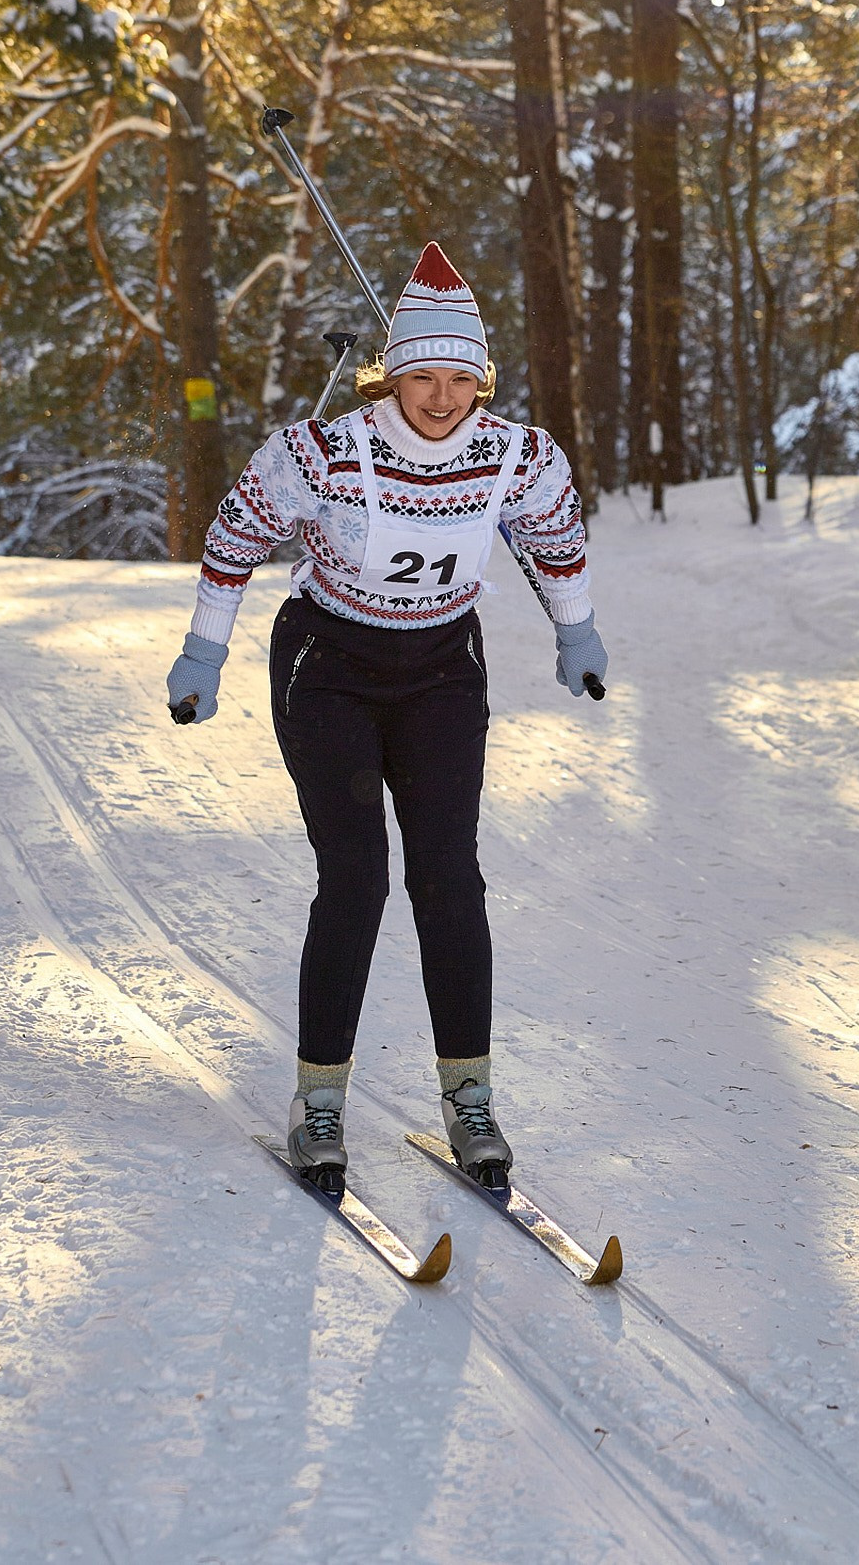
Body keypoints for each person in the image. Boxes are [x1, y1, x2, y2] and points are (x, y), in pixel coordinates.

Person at [163, 242, 608, 1193]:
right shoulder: (322, 452)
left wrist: (579, 632)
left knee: (451, 878)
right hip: (333, 664)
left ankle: (470, 1099)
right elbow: (234, 534)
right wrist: (206, 651)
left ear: (481, 379)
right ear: (390, 373)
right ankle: (319, 1101)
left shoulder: (517, 454)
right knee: (358, 874)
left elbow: (556, 540)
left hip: (444, 667)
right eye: (421, 376)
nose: (441, 399)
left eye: (459, 378)